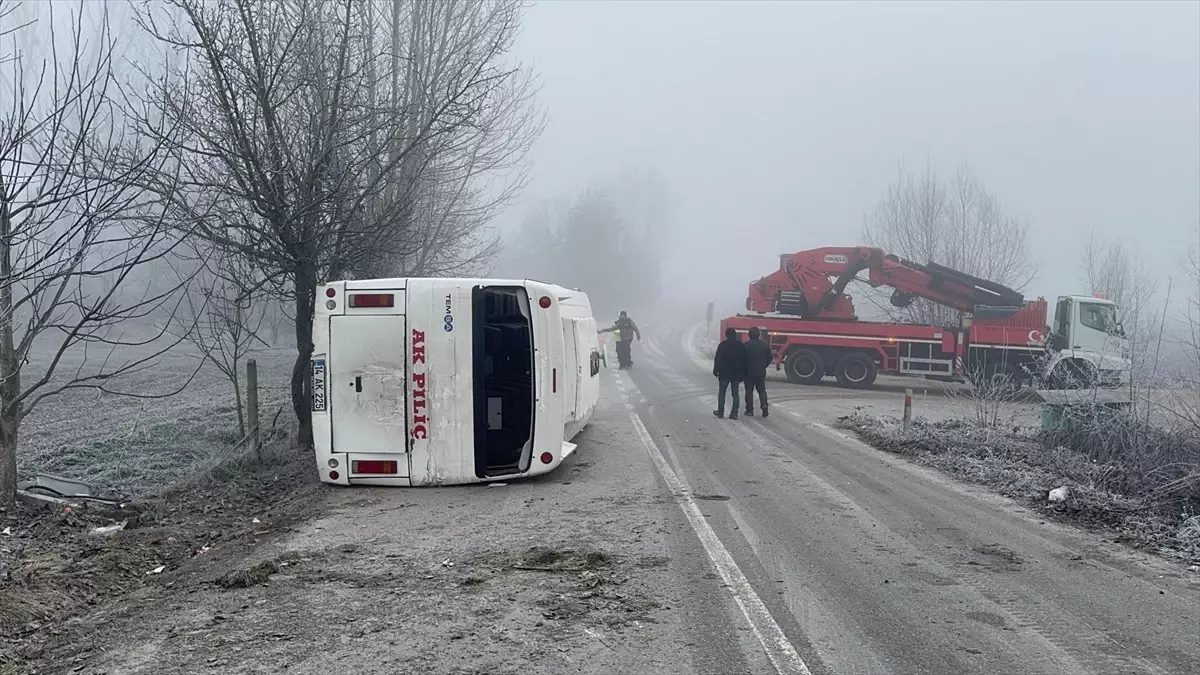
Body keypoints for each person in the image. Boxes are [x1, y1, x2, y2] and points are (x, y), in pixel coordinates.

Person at [712, 327, 747, 419]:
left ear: (726, 335)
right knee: (735, 393)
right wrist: (743, 373)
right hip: (736, 373)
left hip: (724, 373)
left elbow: (718, 359)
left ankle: (720, 412)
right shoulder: (741, 346)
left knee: (722, 392)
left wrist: (716, 370)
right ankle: (734, 413)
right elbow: (745, 361)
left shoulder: (722, 345)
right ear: (735, 335)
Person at [743, 326, 771, 417]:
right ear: (759, 335)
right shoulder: (765, 345)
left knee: (749, 391)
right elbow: (769, 358)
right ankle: (764, 405)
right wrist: (763, 365)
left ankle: (749, 410)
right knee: (762, 390)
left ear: (749, 335)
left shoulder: (745, 345)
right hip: (761, 372)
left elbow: (741, 359)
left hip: (748, 372)